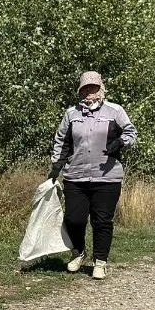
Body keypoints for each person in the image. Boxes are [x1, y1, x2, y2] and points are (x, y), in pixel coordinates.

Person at [48, 71, 137, 280]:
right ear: (81, 91)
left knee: (102, 220)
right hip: (75, 175)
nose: (90, 92)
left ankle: (100, 261)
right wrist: (56, 166)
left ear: (101, 89)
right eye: (86, 88)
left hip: (107, 176)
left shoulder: (115, 111)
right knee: (73, 219)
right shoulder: (71, 114)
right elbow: (62, 140)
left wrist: (121, 142)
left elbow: (131, 133)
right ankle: (79, 253)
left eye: (94, 88)